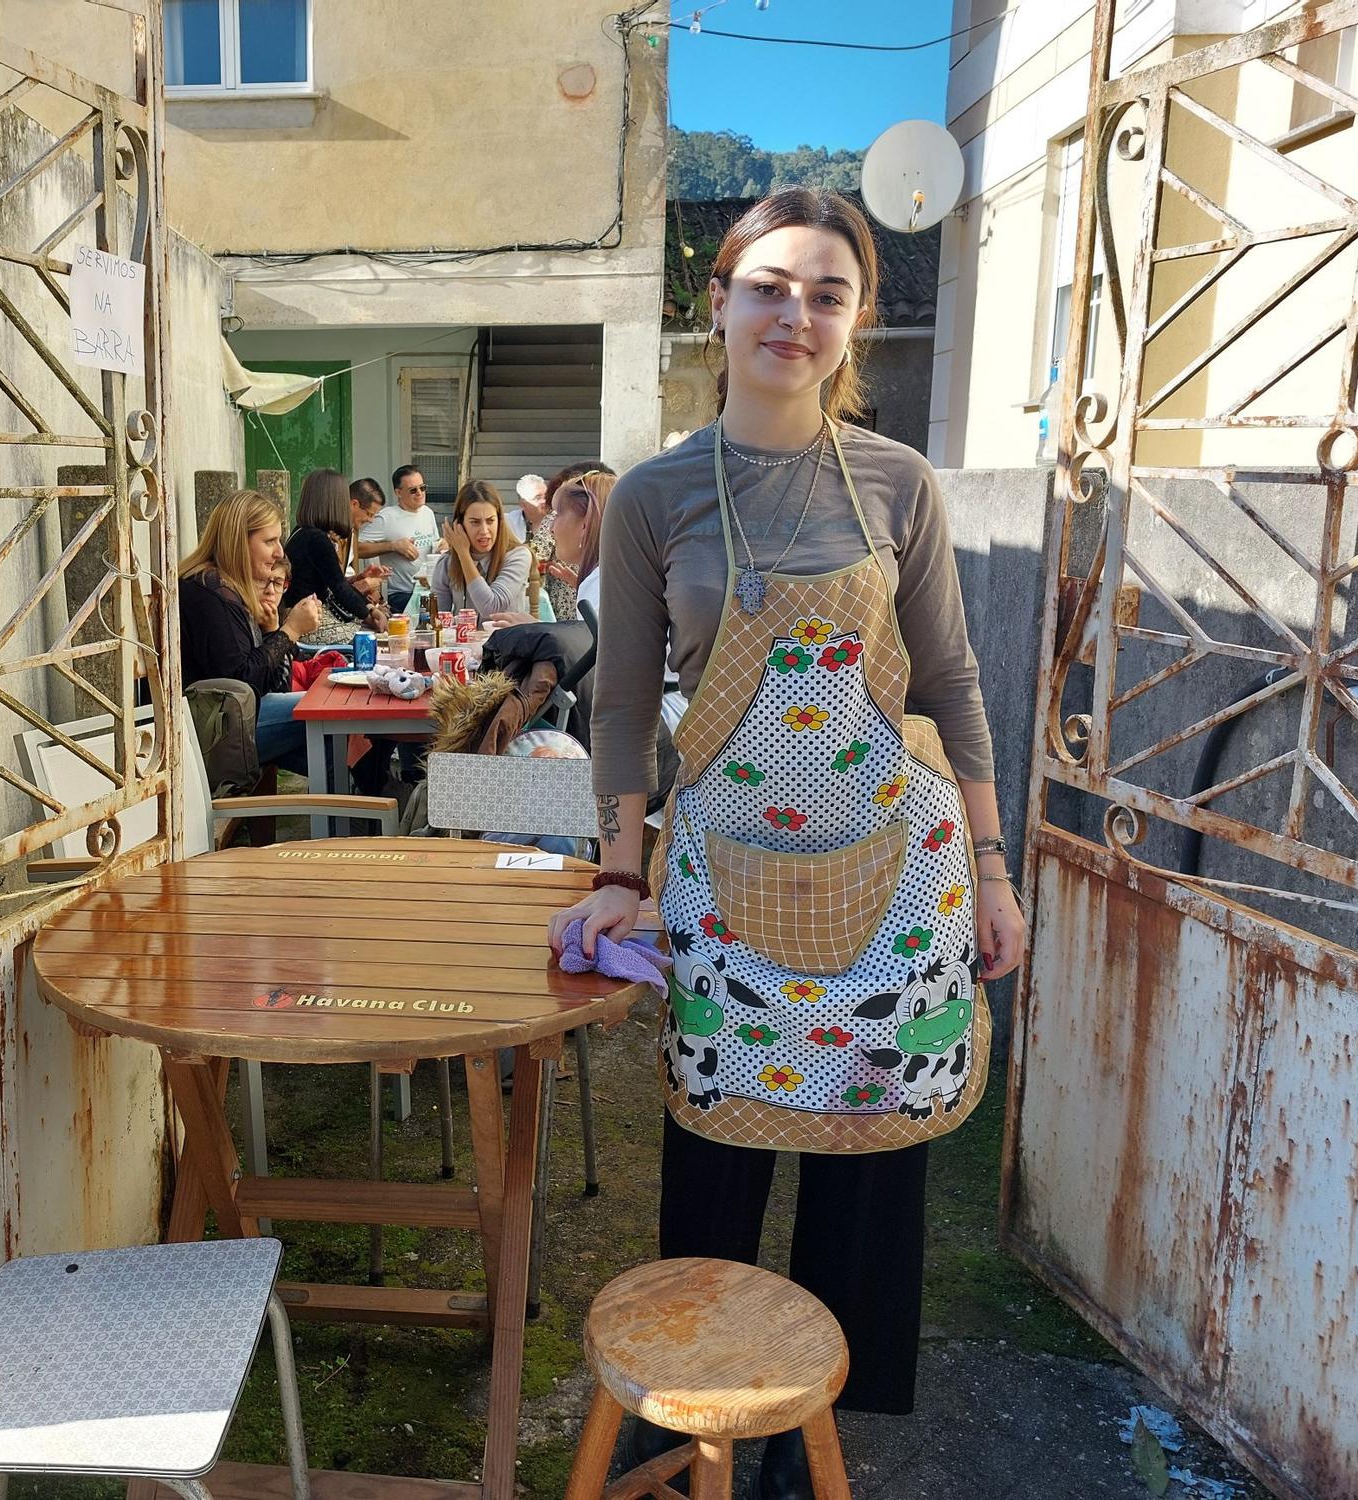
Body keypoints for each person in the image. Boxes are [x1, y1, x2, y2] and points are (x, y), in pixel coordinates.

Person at [546, 187, 1028, 1500]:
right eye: (770, 285)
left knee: (868, 1156)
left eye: (827, 291)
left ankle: (816, 1426)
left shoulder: (899, 485)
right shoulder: (653, 496)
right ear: (719, 298)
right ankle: (690, 1411)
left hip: (897, 871)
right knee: (717, 1149)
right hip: (725, 876)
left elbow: (955, 680)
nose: (795, 314)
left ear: (856, 317)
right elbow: (625, 706)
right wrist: (616, 873)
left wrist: (993, 869)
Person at [178, 490, 320, 771]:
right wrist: (289, 631)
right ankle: (363, 802)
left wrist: (272, 632)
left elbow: (270, 685)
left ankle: (357, 799)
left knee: (331, 738)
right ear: (238, 542)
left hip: (225, 722)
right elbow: (242, 683)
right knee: (330, 715)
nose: (280, 551)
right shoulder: (210, 594)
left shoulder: (224, 586)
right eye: (270, 541)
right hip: (211, 734)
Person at [283, 468, 387, 646]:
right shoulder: (317, 539)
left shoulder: (302, 532)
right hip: (307, 620)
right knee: (370, 641)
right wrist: (367, 614)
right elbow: (339, 587)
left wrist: (368, 608)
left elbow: (337, 583)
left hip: (305, 614)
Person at [432, 479, 531, 618]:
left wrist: (464, 555)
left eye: (490, 521)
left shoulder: (518, 555)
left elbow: (491, 608)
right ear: (459, 524)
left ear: (500, 521)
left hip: (506, 638)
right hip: (461, 639)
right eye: (475, 522)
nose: (484, 531)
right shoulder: (447, 562)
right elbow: (437, 618)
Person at [535, 462, 617, 621]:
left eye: (558, 514)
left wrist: (533, 630)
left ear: (585, 524)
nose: (551, 528)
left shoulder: (602, 584)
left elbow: (600, 644)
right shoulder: (610, 578)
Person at [360, 464, 442, 611]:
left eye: (422, 488)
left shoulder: (427, 512)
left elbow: (435, 545)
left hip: (429, 589)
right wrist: (393, 546)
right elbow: (357, 548)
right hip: (401, 594)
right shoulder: (387, 517)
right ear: (398, 492)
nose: (419, 493)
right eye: (413, 490)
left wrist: (443, 545)